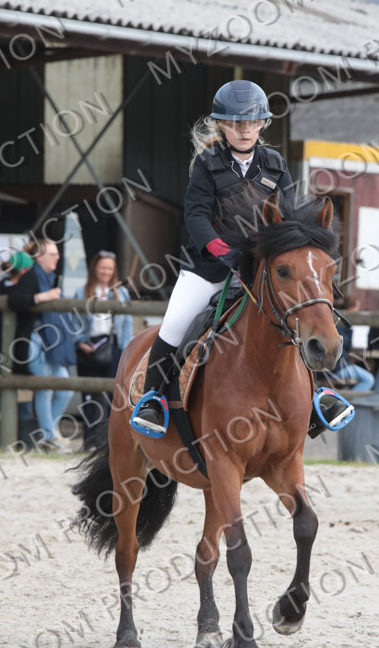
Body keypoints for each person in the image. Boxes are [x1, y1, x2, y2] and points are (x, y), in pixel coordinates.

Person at [132, 79, 350, 435]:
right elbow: (196, 218)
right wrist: (226, 253)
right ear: (222, 124)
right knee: (175, 325)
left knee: (299, 318)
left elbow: (289, 220)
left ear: (262, 124)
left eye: (251, 122)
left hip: (259, 270)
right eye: (236, 123)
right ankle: (153, 400)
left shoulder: (275, 164)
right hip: (208, 268)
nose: (245, 130)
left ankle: (316, 398)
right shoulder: (207, 164)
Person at [7, 240, 75, 453]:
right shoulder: (31, 276)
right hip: (34, 341)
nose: (57, 258)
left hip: (51, 344)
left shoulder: (49, 277)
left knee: (66, 388)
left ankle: (48, 434)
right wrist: (43, 297)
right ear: (40, 257)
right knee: (44, 387)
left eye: (57, 254)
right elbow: (14, 300)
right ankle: (48, 438)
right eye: (53, 254)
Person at [74, 251, 133, 448]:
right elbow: (74, 321)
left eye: (110, 268)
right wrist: (79, 342)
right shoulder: (82, 292)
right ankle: (90, 440)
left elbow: (127, 323)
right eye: (103, 267)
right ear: (95, 269)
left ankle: (107, 442)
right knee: (90, 395)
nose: (106, 271)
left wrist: (126, 350)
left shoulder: (121, 293)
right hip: (88, 345)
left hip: (113, 345)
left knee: (111, 395)